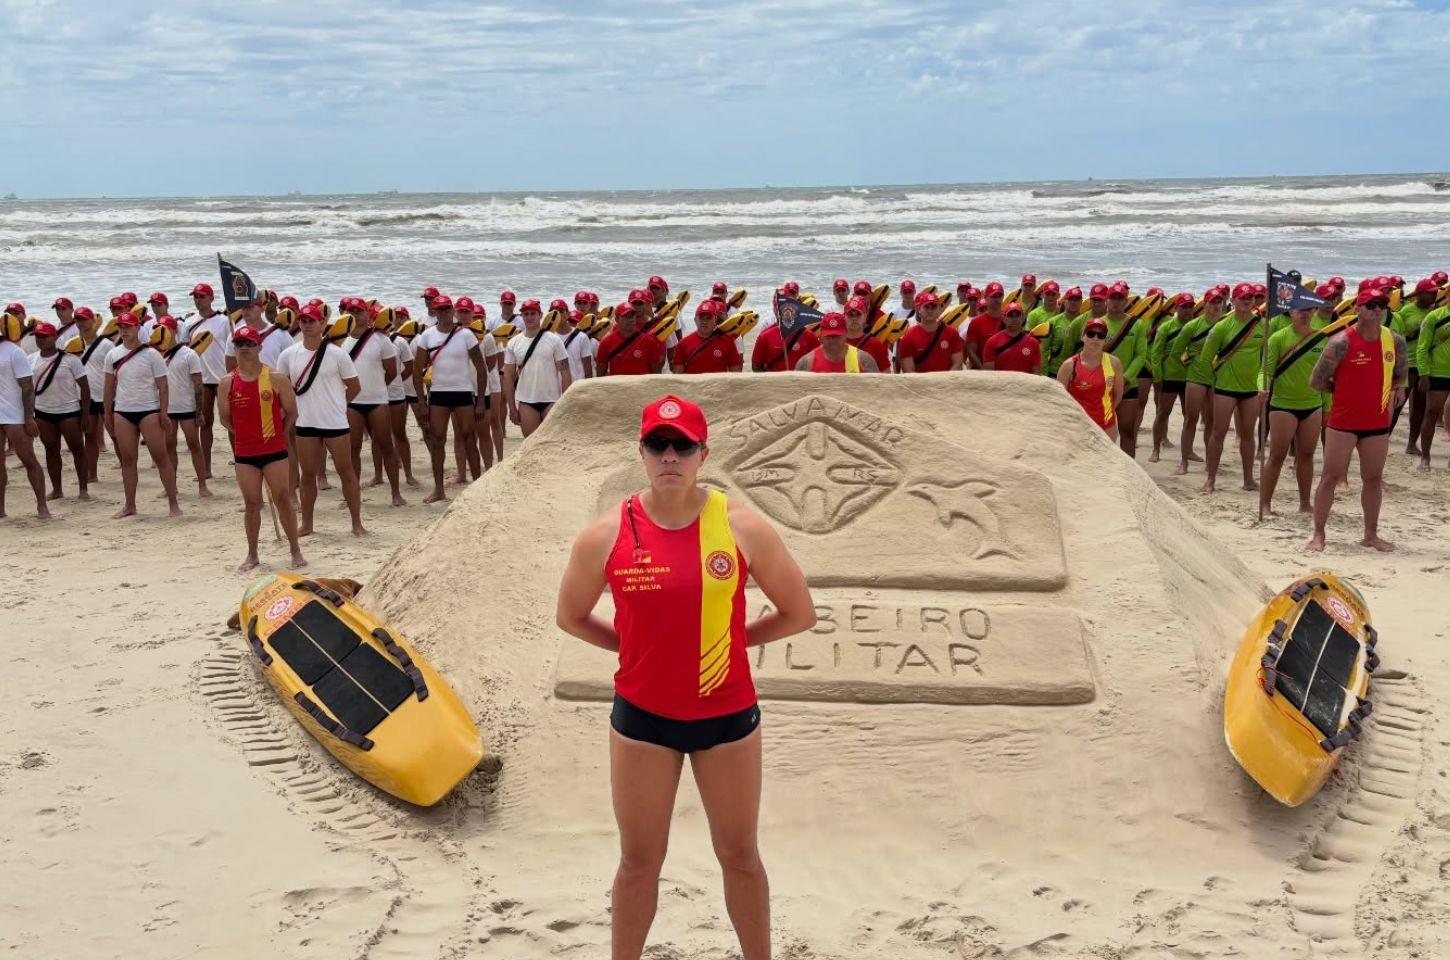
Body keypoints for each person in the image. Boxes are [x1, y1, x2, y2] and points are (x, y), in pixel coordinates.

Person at [555, 393, 815, 960]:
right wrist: (637, 648)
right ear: (641, 452)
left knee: (740, 857)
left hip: (727, 718)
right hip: (642, 722)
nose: (669, 456)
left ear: (703, 454)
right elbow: (570, 616)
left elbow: (799, 612)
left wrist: (732, 639)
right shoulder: (606, 533)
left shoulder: (742, 526)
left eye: (682, 446)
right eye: (657, 445)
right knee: (638, 862)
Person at [1307, 286, 1408, 552]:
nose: (1377, 310)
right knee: (1330, 477)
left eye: (1382, 305)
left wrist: (1394, 390)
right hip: (1343, 422)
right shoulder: (1341, 342)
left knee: (1373, 479)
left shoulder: (1394, 340)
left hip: (1376, 422)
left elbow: (1401, 374)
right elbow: (1317, 381)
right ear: (1358, 308)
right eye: (1371, 305)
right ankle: (1318, 534)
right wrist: (1344, 392)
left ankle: (1370, 535)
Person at [218, 326, 307, 572]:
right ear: (234, 348)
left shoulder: (276, 378)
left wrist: (278, 433)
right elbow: (224, 419)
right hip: (245, 453)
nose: (244, 348)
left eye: (250, 343)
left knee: (283, 499)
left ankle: (295, 550)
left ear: (259, 347)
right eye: (239, 344)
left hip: (274, 450)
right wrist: (243, 434)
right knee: (251, 503)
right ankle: (252, 554)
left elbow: (292, 412)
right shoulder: (227, 382)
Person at [276, 305, 367, 536]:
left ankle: (356, 523)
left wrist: (338, 406)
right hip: (306, 423)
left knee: (346, 472)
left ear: (322, 324)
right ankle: (307, 524)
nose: (307, 324)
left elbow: (354, 386)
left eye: (312, 320)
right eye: (303, 320)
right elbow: (282, 388)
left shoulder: (337, 354)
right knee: (307, 476)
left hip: (335, 423)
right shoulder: (289, 354)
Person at [103, 313, 181, 519]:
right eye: (121, 327)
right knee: (128, 460)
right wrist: (107, 414)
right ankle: (130, 505)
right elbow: (108, 387)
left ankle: (173, 503)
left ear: (138, 327)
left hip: (149, 410)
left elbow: (163, 386)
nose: (124, 330)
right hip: (123, 411)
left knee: (161, 457)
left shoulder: (152, 354)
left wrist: (164, 413)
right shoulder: (112, 355)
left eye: (128, 326)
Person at [413, 295, 490, 504]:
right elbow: (416, 372)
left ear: (453, 311)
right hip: (438, 393)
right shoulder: (427, 336)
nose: (444, 313)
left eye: (447, 309)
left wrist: (480, 401)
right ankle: (439, 490)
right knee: (437, 440)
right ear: (435, 311)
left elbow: (481, 368)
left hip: (463, 392)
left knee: (469, 438)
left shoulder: (466, 335)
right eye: (440, 309)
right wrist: (421, 402)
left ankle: (476, 488)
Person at [1258, 305, 1327, 519]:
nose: (1304, 313)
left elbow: (1326, 377)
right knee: (1277, 456)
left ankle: (1305, 504)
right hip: (1283, 405)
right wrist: (1262, 387)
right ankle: (1265, 504)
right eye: (1300, 310)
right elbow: (1265, 371)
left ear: (1314, 312)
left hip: (1313, 404)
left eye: (1309, 310)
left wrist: (1328, 406)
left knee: (1306, 455)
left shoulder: (1322, 338)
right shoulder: (1278, 338)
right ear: (1290, 312)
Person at [1201, 283, 1266, 494]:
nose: (1247, 301)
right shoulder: (1221, 327)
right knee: (1218, 433)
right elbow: (1206, 358)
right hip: (1225, 388)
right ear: (1233, 300)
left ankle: (1249, 479)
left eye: (1251, 297)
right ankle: (1210, 479)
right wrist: (1214, 382)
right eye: (1243, 297)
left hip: (1251, 390)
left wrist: (1262, 384)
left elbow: (1266, 359)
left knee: (1248, 435)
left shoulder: (1262, 325)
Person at [341, 299, 405, 507]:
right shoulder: (340, 340)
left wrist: (377, 387)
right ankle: (353, 494)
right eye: (351, 311)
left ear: (368, 314)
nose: (355, 315)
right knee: (353, 449)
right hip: (352, 402)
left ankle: (396, 493)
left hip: (377, 400)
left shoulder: (381, 339)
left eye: (359, 311)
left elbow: (392, 371)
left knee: (386, 446)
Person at [29, 321, 90, 501]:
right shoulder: (31, 359)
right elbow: (27, 388)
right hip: (42, 412)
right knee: (51, 450)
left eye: (44, 336)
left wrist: (85, 415)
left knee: (78, 449)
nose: (40, 340)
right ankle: (57, 490)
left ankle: (83, 489)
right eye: (37, 336)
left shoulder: (70, 360)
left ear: (54, 337)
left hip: (69, 411)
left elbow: (85, 387)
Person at [1, 312, 52, 518]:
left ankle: (42, 506)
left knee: (29, 460)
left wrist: (29, 418)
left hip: (15, 415)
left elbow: (28, 388)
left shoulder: (15, 352)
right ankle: (1, 509)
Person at [153, 316, 210, 498]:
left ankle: (202, 485)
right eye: (158, 328)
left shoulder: (188, 354)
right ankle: (171, 486)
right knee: (169, 447)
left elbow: (198, 385)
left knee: (194, 445)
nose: (161, 332)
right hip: (167, 409)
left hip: (187, 408)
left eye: (165, 328)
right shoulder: (155, 354)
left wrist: (199, 412)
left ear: (174, 331)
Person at [504, 299, 571, 437]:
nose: (529, 317)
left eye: (533, 313)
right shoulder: (514, 342)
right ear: (521, 316)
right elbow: (508, 377)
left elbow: (565, 372)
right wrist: (512, 408)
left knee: (551, 444)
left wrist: (565, 402)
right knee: (530, 444)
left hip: (552, 400)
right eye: (526, 314)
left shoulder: (554, 340)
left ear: (540, 315)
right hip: (526, 402)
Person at [187, 282, 229, 479]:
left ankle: (240, 463)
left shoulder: (224, 321)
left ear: (211, 298)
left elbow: (233, 348)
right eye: (195, 296)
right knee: (204, 423)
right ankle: (206, 468)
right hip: (201, 379)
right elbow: (185, 352)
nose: (198, 300)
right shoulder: (189, 323)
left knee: (231, 423)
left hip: (223, 378)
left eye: (202, 296)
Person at [1147, 293, 1194, 462]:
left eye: (1190, 306)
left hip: (1190, 377)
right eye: (1184, 306)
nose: (1187, 310)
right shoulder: (1166, 327)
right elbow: (1156, 354)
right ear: (1176, 308)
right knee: (1162, 413)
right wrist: (1158, 378)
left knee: (1189, 416)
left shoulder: (1196, 326)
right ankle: (1155, 450)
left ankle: (1188, 451)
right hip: (1169, 377)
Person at [1057, 318, 1124, 438]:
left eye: (1101, 335)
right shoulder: (1069, 366)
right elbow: (1060, 399)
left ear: (1105, 339)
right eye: (1091, 334)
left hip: (1106, 427)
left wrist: (1105, 414)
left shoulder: (1114, 363)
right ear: (1082, 337)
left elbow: (1118, 394)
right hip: (1076, 426)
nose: (1095, 338)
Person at [1392, 279, 1435, 455]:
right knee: (1397, 405)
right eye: (1430, 292)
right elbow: (1397, 336)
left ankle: (1411, 444)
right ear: (1419, 294)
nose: (1434, 295)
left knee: (1420, 408)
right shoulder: (1406, 311)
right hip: (1407, 363)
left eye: (1435, 292)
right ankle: (1383, 438)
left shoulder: (1435, 312)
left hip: (1425, 366)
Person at [71, 306, 113, 482]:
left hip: (105, 395)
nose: (81, 323)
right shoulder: (73, 345)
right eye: (77, 319)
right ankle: (92, 474)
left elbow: (115, 371)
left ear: (93, 320)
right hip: (85, 397)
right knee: (89, 435)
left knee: (115, 434)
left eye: (84, 319)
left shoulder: (106, 345)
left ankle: (126, 467)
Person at [384, 307, 421, 488]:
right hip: (380, 395)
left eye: (401, 316)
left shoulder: (401, 341)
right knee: (381, 436)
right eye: (396, 316)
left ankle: (409, 473)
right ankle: (379, 475)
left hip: (401, 392)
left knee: (400, 433)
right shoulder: (373, 340)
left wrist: (395, 379)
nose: (398, 319)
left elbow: (410, 366)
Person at [1415, 290, 1450, 471]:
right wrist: (1423, 374)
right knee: (1432, 413)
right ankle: (1425, 457)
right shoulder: (1434, 316)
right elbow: (1422, 347)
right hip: (1438, 372)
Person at [898, 291, 964, 372]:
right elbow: (908, 370)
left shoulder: (952, 333)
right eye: (926, 307)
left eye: (933, 307)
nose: (930, 310)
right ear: (919, 309)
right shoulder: (908, 337)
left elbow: (957, 364)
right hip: (920, 380)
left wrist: (945, 379)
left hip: (947, 379)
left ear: (939, 309)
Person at [672, 301, 743, 374]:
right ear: (695, 320)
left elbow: (736, 373)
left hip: (719, 382)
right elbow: (677, 375)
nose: (704, 322)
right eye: (701, 318)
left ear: (715, 320)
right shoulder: (682, 344)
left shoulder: (728, 342)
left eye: (708, 318)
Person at [598, 302, 666, 376]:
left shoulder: (649, 341)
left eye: (632, 316)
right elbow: (600, 375)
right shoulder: (606, 342)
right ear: (617, 319)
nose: (630, 320)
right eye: (625, 316)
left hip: (642, 383)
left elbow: (656, 374)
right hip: (618, 383)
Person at [796, 312, 879, 371]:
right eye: (828, 336)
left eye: (837, 336)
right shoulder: (806, 362)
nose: (833, 340)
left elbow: (877, 388)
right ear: (821, 335)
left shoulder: (863, 360)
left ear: (846, 333)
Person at [750, 304, 819, 372]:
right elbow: (756, 366)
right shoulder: (765, 336)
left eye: (791, 309)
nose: (788, 313)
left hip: (800, 379)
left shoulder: (809, 335)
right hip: (774, 379)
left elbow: (818, 360)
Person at [983, 302, 1042, 374]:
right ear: (1004, 318)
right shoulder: (992, 342)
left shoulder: (1033, 343)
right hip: (1001, 381)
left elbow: (1036, 373)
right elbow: (989, 373)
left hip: (1024, 381)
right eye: (1010, 315)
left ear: (1023, 318)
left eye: (1017, 315)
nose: (1014, 319)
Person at [963, 281, 1005, 369]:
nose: (997, 299)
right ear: (985, 298)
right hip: (981, 370)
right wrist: (983, 371)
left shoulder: (1009, 319)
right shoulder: (976, 322)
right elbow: (971, 351)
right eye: (993, 296)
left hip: (1005, 370)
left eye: (999, 296)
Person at [843, 296, 890, 371]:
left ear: (865, 316)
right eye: (850, 315)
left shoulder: (876, 344)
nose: (854, 318)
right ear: (844, 317)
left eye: (858, 314)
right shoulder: (837, 343)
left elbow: (886, 373)